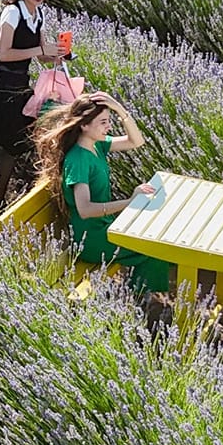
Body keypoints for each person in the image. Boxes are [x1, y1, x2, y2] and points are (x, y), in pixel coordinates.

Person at [34, 94, 171, 295]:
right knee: (153, 247)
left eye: (109, 121)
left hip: (105, 227)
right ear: (84, 126)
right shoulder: (78, 160)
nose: (108, 127)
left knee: (155, 235)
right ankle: (138, 303)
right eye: (103, 122)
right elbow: (85, 209)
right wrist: (130, 202)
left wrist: (119, 109)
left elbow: (136, 141)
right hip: (91, 239)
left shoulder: (96, 145)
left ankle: (140, 298)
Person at [0, 0, 61, 214]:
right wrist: (41, 50)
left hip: (22, 86)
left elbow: (40, 57)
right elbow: (4, 53)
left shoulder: (38, 14)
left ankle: (1, 198)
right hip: (6, 87)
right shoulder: (13, 13)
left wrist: (58, 55)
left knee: (16, 146)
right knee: (9, 147)